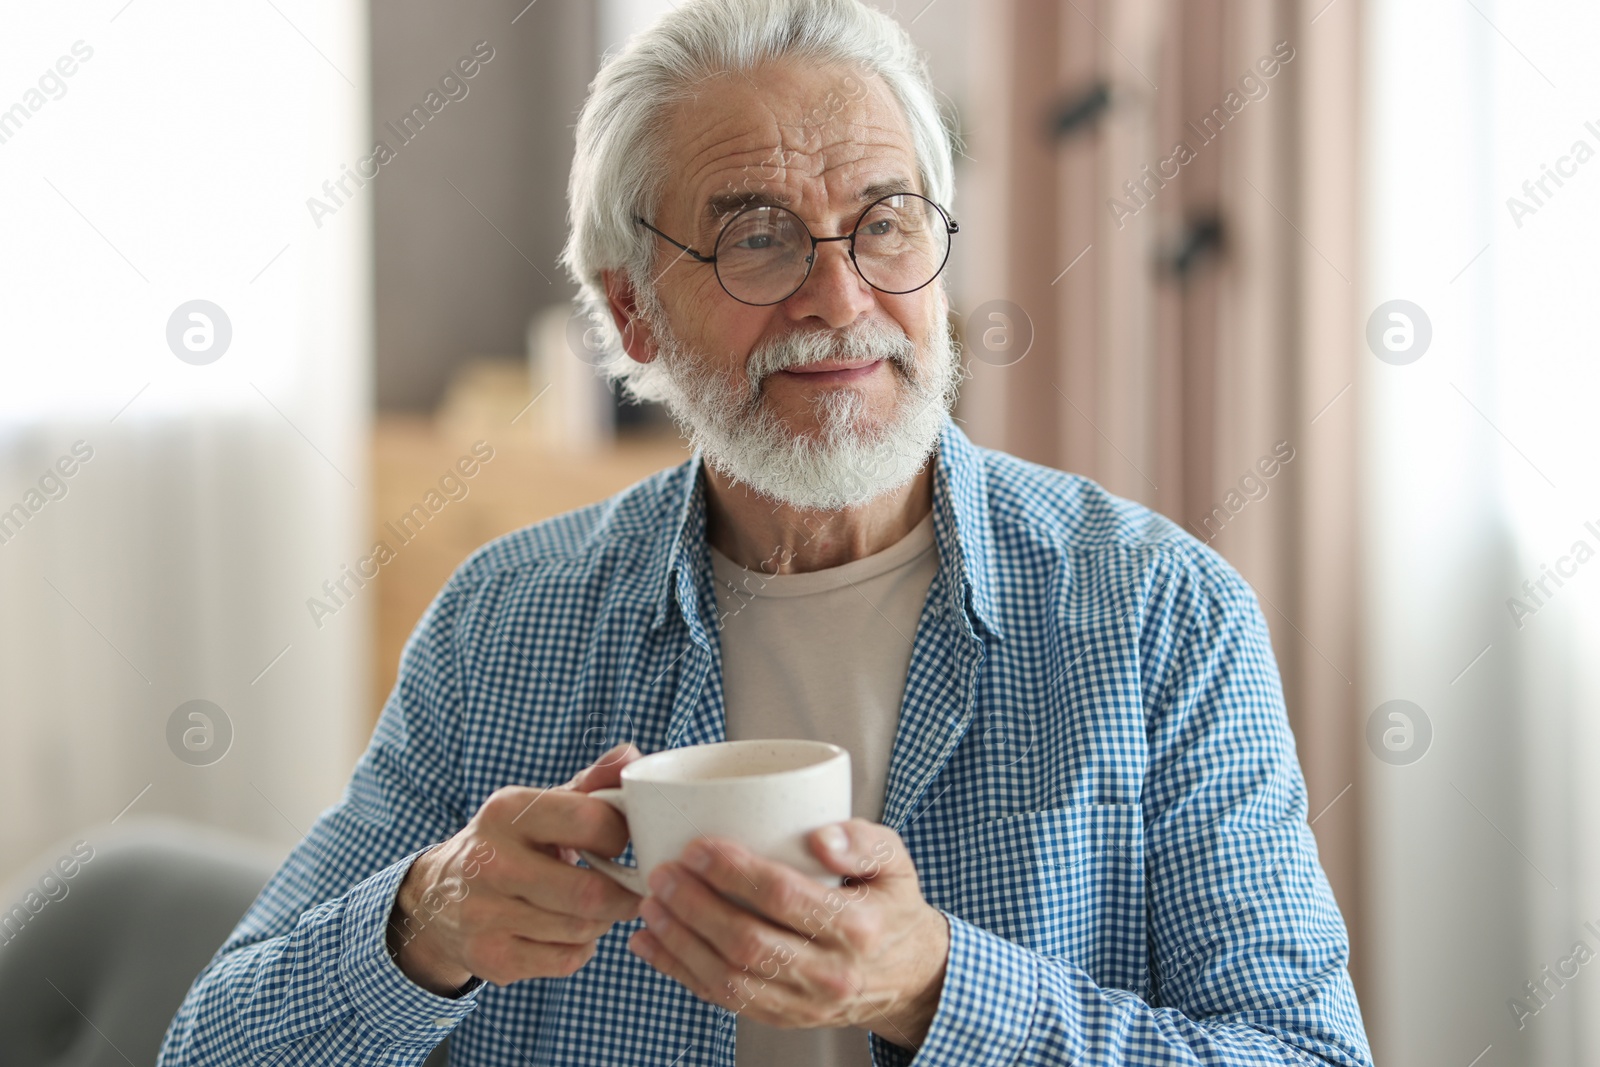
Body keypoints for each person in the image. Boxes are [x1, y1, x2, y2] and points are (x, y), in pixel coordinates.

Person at [158, 1, 1374, 1064]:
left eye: (886, 223)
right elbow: (211, 1044)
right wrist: (424, 924)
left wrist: (937, 990)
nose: (840, 299)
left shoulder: (1161, 614)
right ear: (633, 311)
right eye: (756, 237)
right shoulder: (501, 623)